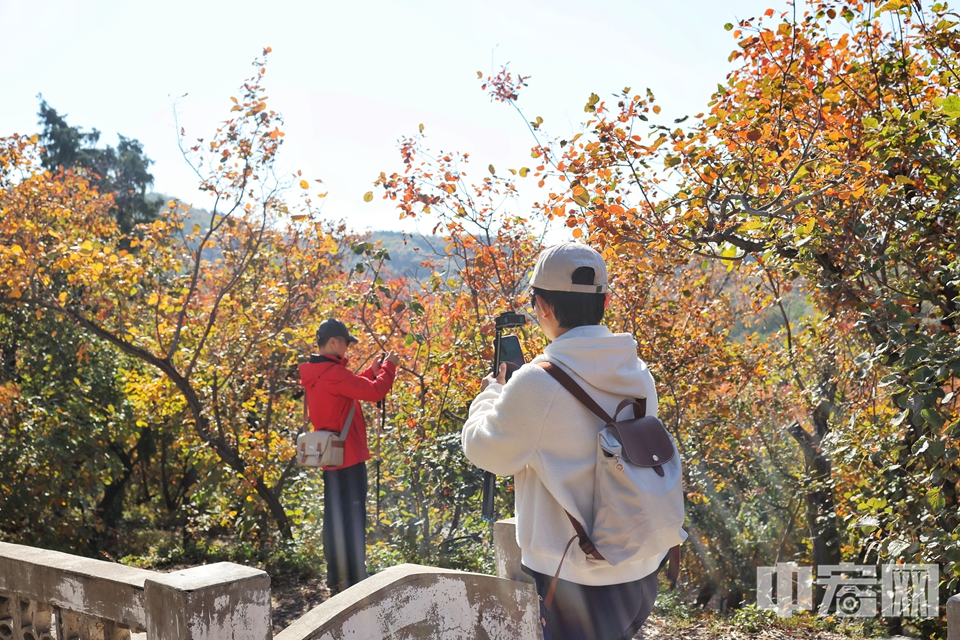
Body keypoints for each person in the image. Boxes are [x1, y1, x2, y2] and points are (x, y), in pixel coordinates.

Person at [462, 243, 677, 640]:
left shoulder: (537, 382)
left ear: (542, 306)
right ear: (606, 300)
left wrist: (491, 394)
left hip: (575, 578)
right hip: (641, 568)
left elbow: (484, 450)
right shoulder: (637, 371)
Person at [299, 318, 399, 594]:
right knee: (354, 513)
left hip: (329, 455)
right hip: (350, 455)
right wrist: (389, 367)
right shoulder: (333, 373)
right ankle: (356, 574)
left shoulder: (315, 372)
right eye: (345, 343)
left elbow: (349, 389)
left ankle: (334, 574)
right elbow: (375, 391)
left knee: (333, 515)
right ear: (333, 342)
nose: (347, 349)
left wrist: (372, 370)